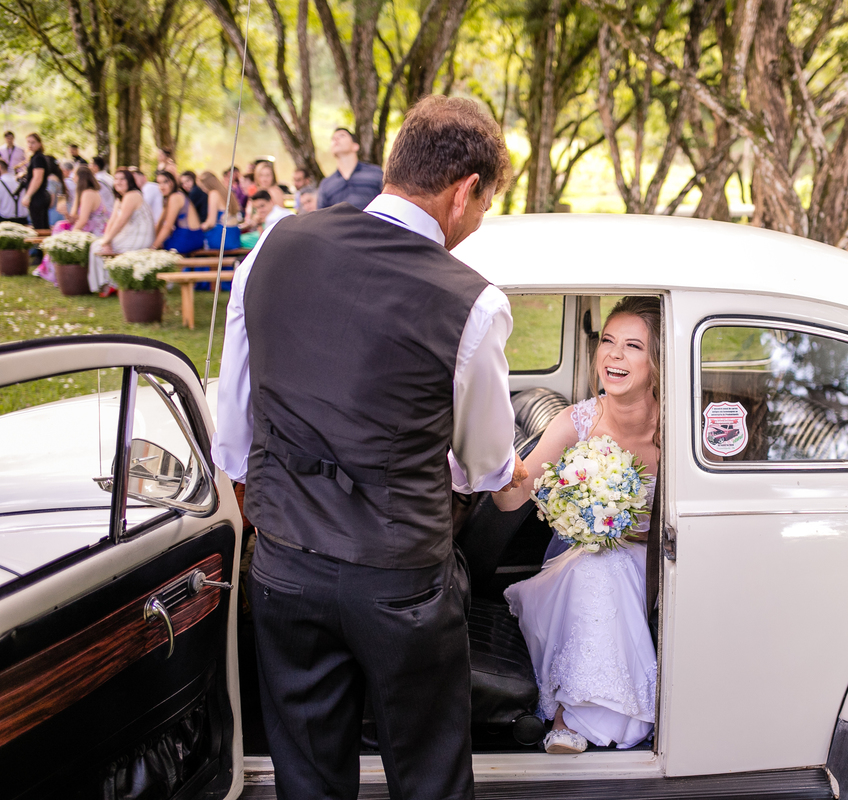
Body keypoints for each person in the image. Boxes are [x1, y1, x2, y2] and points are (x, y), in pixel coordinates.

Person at [212, 94, 522, 800]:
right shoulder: (472, 301)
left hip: (286, 567)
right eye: (483, 206)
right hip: (401, 584)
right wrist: (516, 472)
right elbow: (482, 466)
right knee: (430, 775)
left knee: (309, 776)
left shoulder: (274, 244)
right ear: (465, 191)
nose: (475, 225)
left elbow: (235, 430)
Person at [496, 296, 661, 755]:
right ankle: (579, 713)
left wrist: (626, 530)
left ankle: (573, 717)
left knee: (605, 568)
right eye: (607, 341)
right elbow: (512, 499)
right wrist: (497, 468)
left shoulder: (674, 429)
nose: (613, 354)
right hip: (581, 557)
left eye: (632, 346)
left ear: (657, 361)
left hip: (652, 560)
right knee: (594, 567)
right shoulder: (579, 421)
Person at [88, 168, 155, 293]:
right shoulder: (120, 198)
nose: (118, 182)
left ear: (130, 181)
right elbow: (112, 221)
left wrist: (106, 241)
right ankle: (107, 283)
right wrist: (106, 241)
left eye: (122, 179)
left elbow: (121, 222)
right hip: (129, 234)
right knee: (97, 245)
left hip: (139, 236)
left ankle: (109, 285)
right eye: (116, 179)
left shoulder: (132, 195)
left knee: (98, 247)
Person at [316, 127, 383, 210]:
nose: (336, 139)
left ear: (355, 146)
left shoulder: (376, 173)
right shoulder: (326, 184)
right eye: (333, 138)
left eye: (342, 136)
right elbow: (322, 217)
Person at [153, 170, 205, 253]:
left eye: (165, 182)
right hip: (187, 235)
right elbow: (160, 222)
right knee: (163, 246)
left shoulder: (175, 197)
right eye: (159, 183)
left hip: (189, 236)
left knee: (165, 253)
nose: (161, 186)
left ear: (172, 182)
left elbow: (167, 226)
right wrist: (155, 240)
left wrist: (152, 247)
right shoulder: (169, 198)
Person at [198, 170, 242, 250]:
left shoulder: (214, 193)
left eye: (203, 187)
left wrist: (200, 227)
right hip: (234, 235)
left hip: (222, 237)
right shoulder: (226, 191)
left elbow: (211, 222)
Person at [20, 133, 51, 229]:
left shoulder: (38, 158)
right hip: (39, 196)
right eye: (28, 142)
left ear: (39, 144)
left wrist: (28, 196)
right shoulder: (36, 157)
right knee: (41, 225)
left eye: (33, 142)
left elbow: (37, 178)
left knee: (39, 227)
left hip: (38, 196)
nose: (30, 145)